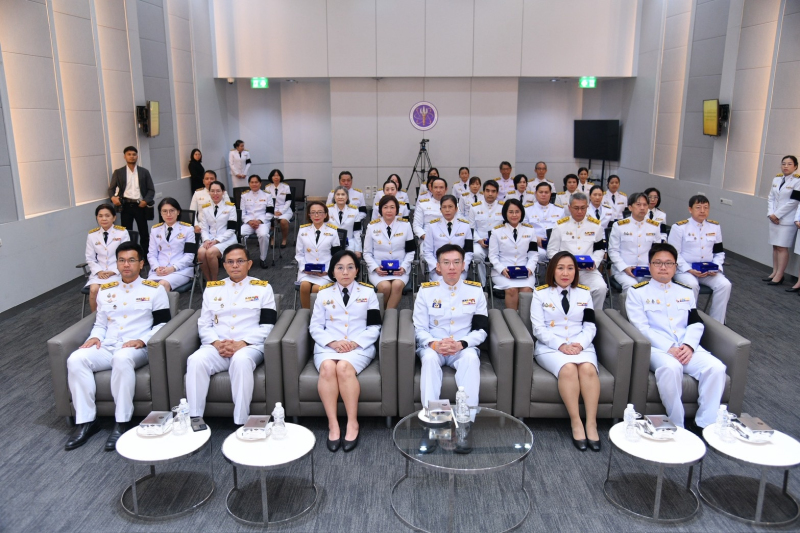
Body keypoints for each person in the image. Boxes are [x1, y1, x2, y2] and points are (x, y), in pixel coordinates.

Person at [65, 242, 170, 451]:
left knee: (121, 358)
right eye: (121, 260)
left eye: (131, 260)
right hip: (109, 345)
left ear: (141, 264)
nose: (126, 265)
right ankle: (86, 421)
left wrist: (143, 340)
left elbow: (163, 324)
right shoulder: (106, 290)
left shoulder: (154, 290)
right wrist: (95, 337)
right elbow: (100, 324)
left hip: (136, 347)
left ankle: (122, 421)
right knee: (75, 359)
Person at [626, 243, 726, 429]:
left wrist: (689, 345)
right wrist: (669, 347)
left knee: (716, 368)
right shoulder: (637, 292)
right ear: (650, 266)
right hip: (657, 349)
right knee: (671, 368)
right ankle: (678, 424)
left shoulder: (686, 291)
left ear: (675, 267)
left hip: (685, 346)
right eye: (658, 263)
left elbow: (695, 322)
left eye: (668, 263)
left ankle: (706, 424)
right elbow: (641, 327)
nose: (663, 267)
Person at [186, 245, 277, 425]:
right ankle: (194, 419)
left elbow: (268, 325)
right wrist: (216, 343)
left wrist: (242, 343)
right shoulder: (212, 289)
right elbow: (204, 324)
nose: (235, 265)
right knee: (195, 360)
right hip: (217, 346)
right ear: (224, 265)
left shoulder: (263, 288)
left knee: (241, 361)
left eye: (240, 261)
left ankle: (241, 421)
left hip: (249, 346)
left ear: (249, 264)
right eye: (230, 262)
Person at [413, 245, 488, 439]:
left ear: (463, 265)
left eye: (456, 262)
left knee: (471, 359)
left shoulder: (475, 291)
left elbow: (481, 330)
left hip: (462, 347)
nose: (452, 267)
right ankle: (434, 424)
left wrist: (462, 343)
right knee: (429, 359)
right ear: (438, 267)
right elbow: (419, 328)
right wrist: (434, 344)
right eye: (446, 263)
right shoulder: (426, 291)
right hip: (433, 347)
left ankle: (465, 425)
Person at [310, 250, 382, 452]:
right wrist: (332, 342)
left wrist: (355, 343)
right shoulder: (323, 293)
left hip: (358, 346)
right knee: (327, 368)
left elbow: (374, 327)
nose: (345, 272)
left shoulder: (368, 292)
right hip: (328, 346)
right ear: (333, 271)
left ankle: (352, 423)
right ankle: (333, 424)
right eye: (340, 268)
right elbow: (315, 327)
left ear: (357, 270)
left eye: (350, 267)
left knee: (343, 367)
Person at [531, 252, 600, 451]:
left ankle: (591, 423)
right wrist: (561, 345)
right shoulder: (540, 293)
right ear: (552, 270)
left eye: (570, 268)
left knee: (587, 369)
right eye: (560, 268)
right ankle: (576, 422)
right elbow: (538, 329)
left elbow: (590, 326)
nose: (565, 273)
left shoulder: (584, 293)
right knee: (568, 368)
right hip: (551, 347)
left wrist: (580, 344)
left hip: (581, 345)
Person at [669, 195, 732, 324]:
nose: (702, 211)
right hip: (685, 270)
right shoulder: (680, 227)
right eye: (698, 207)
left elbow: (719, 252)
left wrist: (716, 267)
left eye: (706, 207)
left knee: (725, 285)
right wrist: (689, 269)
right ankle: (689, 321)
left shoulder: (714, 226)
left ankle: (717, 323)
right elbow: (673, 254)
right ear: (690, 209)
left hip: (708, 270)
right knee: (692, 285)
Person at [547, 192, 608, 309]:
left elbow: (600, 248)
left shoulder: (595, 225)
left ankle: (594, 315)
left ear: (587, 207)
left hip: (587, 271)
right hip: (565, 270)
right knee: (566, 292)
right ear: (569, 208)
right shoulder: (560, 226)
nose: (580, 211)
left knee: (601, 288)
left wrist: (595, 262)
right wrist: (564, 264)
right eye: (576, 208)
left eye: (583, 208)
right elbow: (551, 251)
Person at [363, 195, 415, 309]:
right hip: (379, 269)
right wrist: (375, 268)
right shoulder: (372, 226)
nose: (389, 210)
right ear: (380, 209)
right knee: (385, 287)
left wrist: (404, 267)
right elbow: (367, 253)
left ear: (397, 209)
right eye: (385, 207)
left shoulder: (405, 225)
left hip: (400, 269)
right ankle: (381, 314)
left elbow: (411, 251)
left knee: (397, 285)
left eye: (392, 207)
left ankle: (387, 316)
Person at [488, 198, 539, 310]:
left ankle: (524, 318)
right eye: (511, 212)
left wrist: (530, 269)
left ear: (522, 213)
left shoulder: (530, 230)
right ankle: (512, 317)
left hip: (525, 270)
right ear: (505, 213)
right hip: (503, 271)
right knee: (512, 290)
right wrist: (501, 269)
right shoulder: (496, 231)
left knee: (526, 290)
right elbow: (493, 255)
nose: (514, 215)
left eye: (517, 212)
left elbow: (533, 253)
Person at [608, 192, 661, 291]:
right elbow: (613, 251)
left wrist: (653, 268)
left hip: (647, 271)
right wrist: (624, 267)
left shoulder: (654, 226)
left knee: (656, 287)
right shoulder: (619, 226)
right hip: (623, 270)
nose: (642, 208)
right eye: (638, 204)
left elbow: (657, 252)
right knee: (632, 287)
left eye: (645, 205)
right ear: (630, 207)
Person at [108, 146, 155, 257]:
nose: (132, 156)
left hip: (140, 205)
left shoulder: (144, 172)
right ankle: (130, 256)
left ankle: (145, 257)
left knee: (144, 233)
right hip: (126, 206)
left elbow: (151, 190)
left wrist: (146, 201)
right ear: (124, 157)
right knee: (127, 233)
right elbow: (111, 189)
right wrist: (113, 198)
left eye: (134, 154)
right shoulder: (118, 172)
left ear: (137, 156)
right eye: (129, 154)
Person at [84, 204, 130, 313]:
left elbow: (126, 256)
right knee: (94, 290)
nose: (104, 219)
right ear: (97, 218)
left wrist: (113, 271)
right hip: (99, 272)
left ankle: (114, 315)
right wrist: (99, 271)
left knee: (110, 291)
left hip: (117, 271)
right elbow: (90, 258)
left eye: (107, 215)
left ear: (114, 218)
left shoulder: (122, 233)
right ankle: (96, 318)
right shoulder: (92, 235)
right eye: (100, 216)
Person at [296, 201, 343, 309]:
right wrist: (304, 268)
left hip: (325, 271)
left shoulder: (333, 231)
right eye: (313, 212)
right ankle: (306, 313)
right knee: (304, 286)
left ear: (325, 214)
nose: (316, 215)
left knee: (316, 289)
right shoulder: (302, 231)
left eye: (320, 212)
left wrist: (328, 270)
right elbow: (299, 254)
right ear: (309, 215)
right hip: (307, 271)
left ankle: (317, 314)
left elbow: (336, 256)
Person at [765, 155, 800, 285]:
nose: (786, 166)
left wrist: (777, 215)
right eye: (783, 163)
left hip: (786, 220)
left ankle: (780, 275)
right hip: (773, 218)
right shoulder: (777, 179)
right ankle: (774, 271)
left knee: (782, 247)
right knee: (775, 246)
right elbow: (771, 198)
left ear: (795, 167)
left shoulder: (797, 181)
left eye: (789, 164)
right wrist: (771, 214)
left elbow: (794, 202)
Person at [147, 198, 195, 291]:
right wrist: (156, 268)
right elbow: (151, 254)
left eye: (172, 211)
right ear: (160, 213)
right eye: (165, 211)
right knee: (147, 287)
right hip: (159, 270)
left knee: (162, 285)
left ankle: (169, 301)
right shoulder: (155, 230)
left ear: (178, 212)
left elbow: (189, 256)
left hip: (180, 271)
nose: (168, 214)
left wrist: (173, 268)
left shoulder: (188, 229)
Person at [422, 195, 473, 282]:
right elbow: (427, 251)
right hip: (439, 270)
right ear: (440, 209)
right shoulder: (432, 226)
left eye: (450, 207)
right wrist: (436, 266)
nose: (447, 210)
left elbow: (469, 251)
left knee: (457, 282)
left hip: (458, 268)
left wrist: (463, 266)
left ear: (456, 209)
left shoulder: (465, 226)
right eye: (444, 207)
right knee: (442, 282)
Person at [198, 181, 238, 282]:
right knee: (201, 253)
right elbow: (204, 228)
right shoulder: (206, 208)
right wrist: (206, 240)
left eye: (218, 191)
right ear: (209, 192)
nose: (215, 194)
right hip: (210, 239)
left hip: (226, 240)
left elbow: (231, 229)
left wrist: (216, 241)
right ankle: (209, 281)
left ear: (223, 192)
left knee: (210, 252)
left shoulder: (230, 207)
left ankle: (215, 280)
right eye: (212, 191)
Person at [469, 180, 505, 286]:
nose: (490, 194)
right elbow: (471, 228)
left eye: (493, 191)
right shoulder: (474, 207)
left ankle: (499, 283)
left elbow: (505, 228)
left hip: (499, 243)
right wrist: (479, 240)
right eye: (488, 191)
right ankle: (483, 284)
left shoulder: (503, 207)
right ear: (483, 192)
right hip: (480, 242)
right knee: (476, 254)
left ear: (497, 193)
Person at [240, 174, 275, 268]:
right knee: (240, 234)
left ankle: (263, 259)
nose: (254, 184)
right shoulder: (244, 196)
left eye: (256, 182)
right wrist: (249, 221)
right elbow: (242, 213)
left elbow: (270, 213)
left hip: (263, 222)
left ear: (260, 184)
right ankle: (245, 259)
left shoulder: (267, 195)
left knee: (263, 235)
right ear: (249, 184)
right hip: (249, 222)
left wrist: (259, 221)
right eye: (252, 182)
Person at [524, 182, 562, 263]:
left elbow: (563, 229)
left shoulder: (560, 210)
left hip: (555, 244)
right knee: (540, 254)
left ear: (550, 194)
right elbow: (524, 230)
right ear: (535, 193)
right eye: (541, 192)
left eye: (546, 192)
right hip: (535, 243)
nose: (543, 195)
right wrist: (535, 238)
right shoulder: (527, 210)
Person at [190, 170, 231, 234]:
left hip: (220, 224)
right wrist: (196, 225)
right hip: (202, 225)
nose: (209, 181)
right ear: (203, 181)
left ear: (216, 180)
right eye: (207, 179)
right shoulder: (197, 194)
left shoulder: (223, 193)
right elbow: (192, 212)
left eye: (212, 178)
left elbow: (229, 209)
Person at [328, 186, 363, 258]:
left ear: (347, 197)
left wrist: (358, 249)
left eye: (343, 194)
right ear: (334, 197)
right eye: (338, 194)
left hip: (349, 245)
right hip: (331, 245)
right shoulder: (327, 210)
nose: (340, 197)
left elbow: (357, 231)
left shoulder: (354, 211)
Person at [264, 169, 293, 249]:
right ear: (271, 177)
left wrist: (282, 211)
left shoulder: (286, 187)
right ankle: (272, 238)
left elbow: (288, 201)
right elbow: (267, 202)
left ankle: (284, 239)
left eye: (278, 175)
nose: (276, 177)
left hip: (285, 209)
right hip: (272, 209)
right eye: (274, 175)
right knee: (271, 220)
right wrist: (273, 211)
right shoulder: (267, 188)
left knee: (283, 221)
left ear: (280, 177)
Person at [413, 175, 448, 239]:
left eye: (441, 187)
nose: (438, 190)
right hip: (428, 238)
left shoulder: (454, 205)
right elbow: (416, 226)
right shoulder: (422, 205)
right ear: (431, 189)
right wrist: (427, 238)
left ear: (446, 189)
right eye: (435, 187)